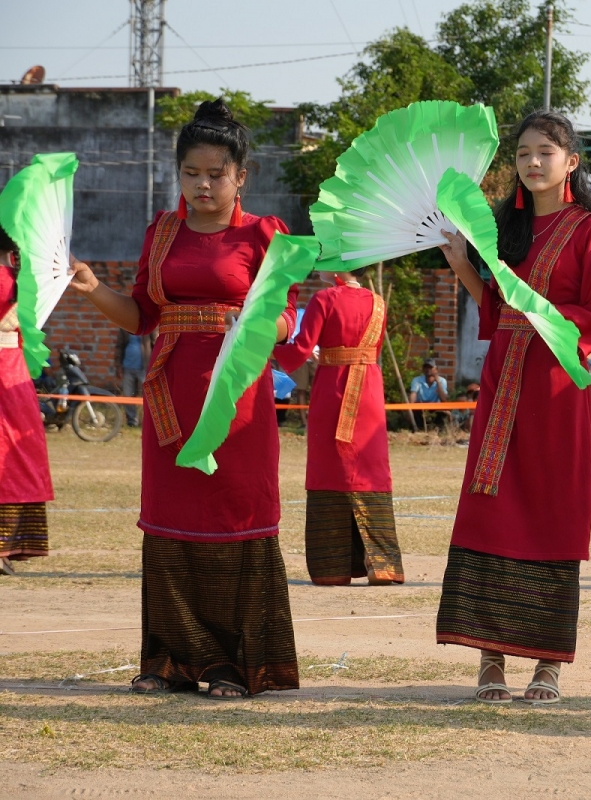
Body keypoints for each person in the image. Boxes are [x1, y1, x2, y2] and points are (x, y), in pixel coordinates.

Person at [67, 99, 299, 699]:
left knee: (234, 518)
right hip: (169, 398)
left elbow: (285, 324)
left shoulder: (265, 234)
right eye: (191, 173)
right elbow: (142, 317)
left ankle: (231, 664)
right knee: (173, 523)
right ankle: (169, 659)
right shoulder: (161, 231)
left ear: (240, 176)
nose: (203, 184)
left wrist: (253, 319)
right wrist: (93, 289)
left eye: (216, 174)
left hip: (236, 401)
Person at [435, 109, 591, 704]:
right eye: (522, 154)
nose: (533, 162)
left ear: (571, 162)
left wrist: (548, 316)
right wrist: (465, 263)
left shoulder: (587, 231)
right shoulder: (501, 228)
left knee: (550, 507)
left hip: (555, 386)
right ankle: (490, 657)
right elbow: (493, 311)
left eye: (546, 151)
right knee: (493, 505)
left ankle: (547, 663)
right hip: (502, 384)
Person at [275, 268, 404, 587]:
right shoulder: (378, 302)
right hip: (370, 391)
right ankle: (382, 563)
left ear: (337, 267)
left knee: (329, 469)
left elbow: (301, 349)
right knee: (371, 469)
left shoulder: (324, 299)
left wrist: (267, 345)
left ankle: (332, 566)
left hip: (334, 389)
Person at [0, 222, 54, 576]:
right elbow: (10, 323)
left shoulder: (13, 275)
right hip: (8, 370)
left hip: (11, 368)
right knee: (13, 451)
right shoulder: (12, 275)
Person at [114, 328, 152, 427]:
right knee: (127, 395)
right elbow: (119, 346)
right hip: (128, 367)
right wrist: (118, 366)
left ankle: (149, 422)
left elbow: (155, 343)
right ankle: (132, 421)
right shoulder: (124, 327)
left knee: (149, 396)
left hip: (144, 368)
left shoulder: (148, 326)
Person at [408, 358, 448, 431]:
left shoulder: (442, 381)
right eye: (426, 367)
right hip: (421, 407)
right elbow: (413, 395)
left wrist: (438, 382)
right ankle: (418, 430)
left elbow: (444, 400)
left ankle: (438, 431)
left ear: (436, 369)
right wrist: (410, 407)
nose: (428, 369)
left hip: (435, 407)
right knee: (413, 411)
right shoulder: (417, 380)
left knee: (443, 412)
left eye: (430, 367)